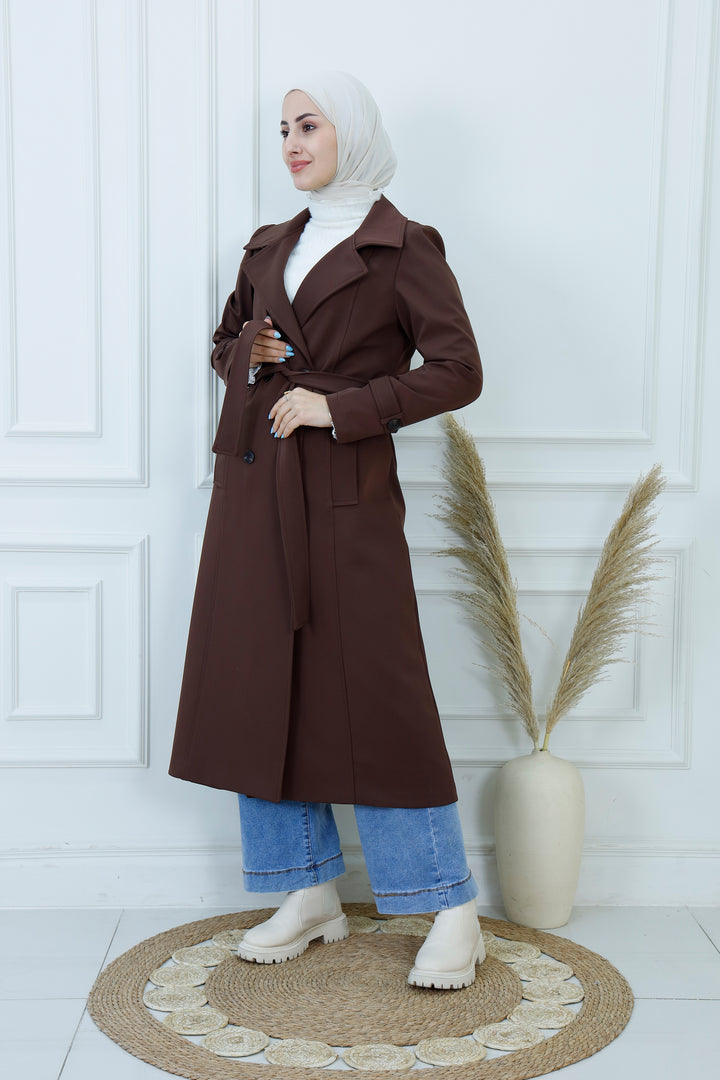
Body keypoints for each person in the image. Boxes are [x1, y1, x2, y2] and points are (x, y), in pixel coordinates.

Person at [168, 71, 485, 990]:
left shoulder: (404, 246)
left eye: (309, 126)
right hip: (254, 489)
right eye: (283, 130)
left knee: (379, 692)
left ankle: (449, 904)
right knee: (259, 683)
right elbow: (225, 342)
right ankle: (306, 890)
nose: (292, 144)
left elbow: (458, 369)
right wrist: (251, 353)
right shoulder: (270, 244)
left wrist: (338, 408)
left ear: (354, 132)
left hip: (345, 492)